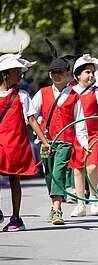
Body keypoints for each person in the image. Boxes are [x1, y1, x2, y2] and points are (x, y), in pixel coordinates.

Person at [32, 40, 88, 225]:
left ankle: (57, 210)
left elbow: (80, 123)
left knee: (59, 171)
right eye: (53, 73)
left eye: (60, 72)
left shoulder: (74, 96)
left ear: (68, 75)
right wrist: (40, 136)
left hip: (65, 141)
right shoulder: (42, 93)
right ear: (50, 74)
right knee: (49, 175)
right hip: (46, 141)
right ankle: (53, 205)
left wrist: (85, 143)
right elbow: (31, 116)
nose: (57, 75)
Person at [0, 53, 50, 231]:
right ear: (5, 73)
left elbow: (31, 120)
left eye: (21, 71)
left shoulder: (22, 95)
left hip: (15, 143)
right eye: (16, 72)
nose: (21, 75)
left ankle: (16, 218)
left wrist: (44, 141)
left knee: (14, 180)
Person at [68, 54, 98, 217]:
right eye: (87, 72)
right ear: (77, 75)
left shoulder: (97, 93)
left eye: (92, 72)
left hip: (94, 135)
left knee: (92, 167)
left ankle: (95, 197)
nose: (90, 75)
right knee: (77, 170)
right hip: (75, 135)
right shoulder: (69, 92)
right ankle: (80, 203)